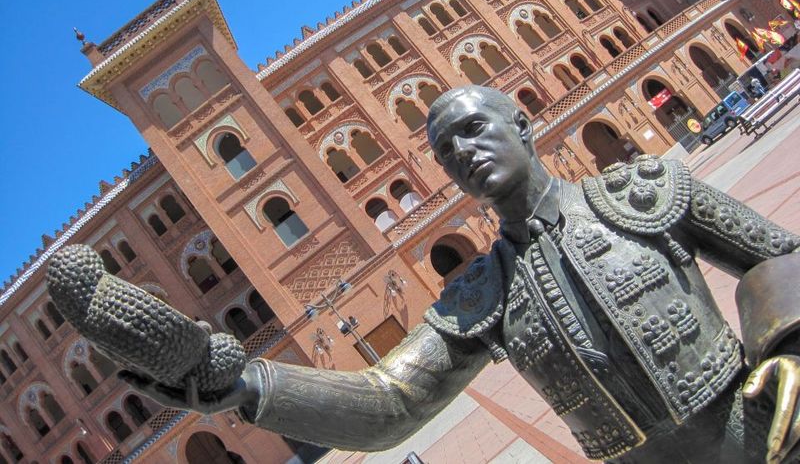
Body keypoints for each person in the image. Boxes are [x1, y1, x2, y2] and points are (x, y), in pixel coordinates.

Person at [117, 86, 800, 462]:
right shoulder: (481, 294)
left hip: (770, 432)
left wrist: (789, 344)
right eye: (446, 151)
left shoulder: (645, 191)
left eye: (474, 129)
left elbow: (778, 252)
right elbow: (389, 401)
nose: (463, 153)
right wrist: (244, 384)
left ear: (523, 125)